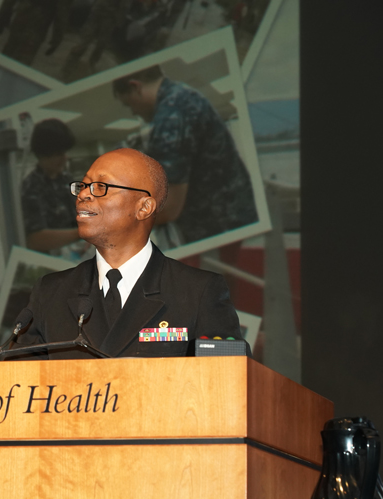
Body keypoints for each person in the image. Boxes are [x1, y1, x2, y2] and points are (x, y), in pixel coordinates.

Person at [14, 148, 242, 359]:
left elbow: (228, 383)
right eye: (82, 186)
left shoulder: (199, 292)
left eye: (100, 187)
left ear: (144, 207)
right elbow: (13, 383)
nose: (83, 195)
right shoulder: (50, 293)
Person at [111, 65, 258, 244]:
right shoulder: (182, 95)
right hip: (232, 211)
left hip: (220, 226)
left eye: (128, 104)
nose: (133, 112)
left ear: (135, 87)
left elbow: (170, 207)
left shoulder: (171, 116)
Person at [20, 118, 81, 254]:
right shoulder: (31, 187)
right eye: (59, 154)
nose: (65, 158)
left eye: (65, 152)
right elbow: (36, 239)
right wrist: (82, 234)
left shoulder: (67, 179)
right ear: (43, 154)